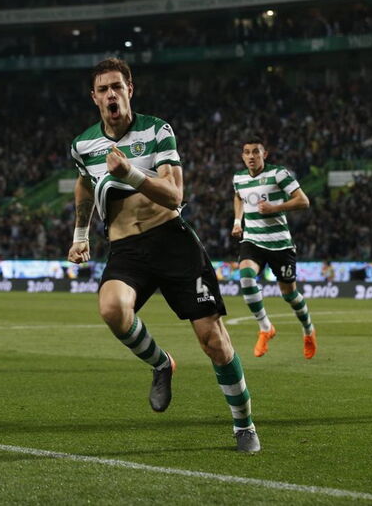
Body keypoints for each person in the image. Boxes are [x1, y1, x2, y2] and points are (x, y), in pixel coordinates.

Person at [68, 58, 260, 453]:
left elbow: (176, 195)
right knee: (111, 309)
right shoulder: (83, 144)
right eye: (103, 89)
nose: (111, 95)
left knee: (213, 340)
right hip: (126, 248)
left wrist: (131, 175)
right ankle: (161, 363)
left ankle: (244, 424)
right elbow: (85, 186)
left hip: (172, 240)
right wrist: (80, 234)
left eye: (117, 87)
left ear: (129, 90)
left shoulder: (157, 130)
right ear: (94, 97)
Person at [231, 137, 315, 358]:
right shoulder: (238, 178)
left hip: (280, 244)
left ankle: (308, 330)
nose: (251, 156)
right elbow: (238, 197)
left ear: (264, 154)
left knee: (290, 295)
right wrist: (237, 222)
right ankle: (265, 327)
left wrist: (275, 207)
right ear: (242, 156)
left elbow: (303, 201)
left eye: (256, 152)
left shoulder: (278, 174)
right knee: (246, 278)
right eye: (247, 152)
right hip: (252, 241)